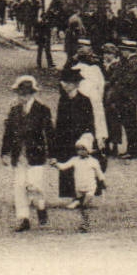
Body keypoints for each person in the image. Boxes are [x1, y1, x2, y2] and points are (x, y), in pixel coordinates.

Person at [0, 75, 53, 231]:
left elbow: (49, 133)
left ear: (32, 93)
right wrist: (5, 152)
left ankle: (40, 205)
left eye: (26, 93)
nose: (23, 96)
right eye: (20, 93)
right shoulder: (14, 110)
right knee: (19, 186)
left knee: (34, 185)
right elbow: (8, 133)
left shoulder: (42, 110)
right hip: (19, 154)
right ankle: (23, 218)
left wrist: (53, 153)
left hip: (36, 154)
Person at [51, 67, 97, 204]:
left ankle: (82, 194)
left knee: (81, 168)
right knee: (67, 164)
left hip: (79, 138)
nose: (65, 86)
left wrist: (88, 137)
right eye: (64, 83)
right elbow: (59, 121)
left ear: (76, 84)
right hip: (65, 137)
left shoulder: (84, 100)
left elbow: (89, 121)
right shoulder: (63, 100)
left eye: (68, 83)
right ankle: (72, 195)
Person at [54, 133, 107, 233]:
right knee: (82, 208)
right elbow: (64, 166)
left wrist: (103, 182)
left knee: (84, 206)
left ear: (88, 150)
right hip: (79, 188)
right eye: (78, 149)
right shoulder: (74, 160)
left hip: (90, 188)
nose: (81, 152)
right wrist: (56, 164)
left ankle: (85, 225)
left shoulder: (93, 161)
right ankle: (84, 223)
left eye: (83, 149)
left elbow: (99, 173)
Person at [107, 41, 137, 158]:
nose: (122, 53)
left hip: (129, 98)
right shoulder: (127, 61)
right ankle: (131, 150)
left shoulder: (133, 62)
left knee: (130, 125)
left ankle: (132, 151)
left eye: (123, 50)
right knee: (129, 124)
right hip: (126, 97)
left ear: (129, 51)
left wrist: (116, 85)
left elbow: (127, 80)